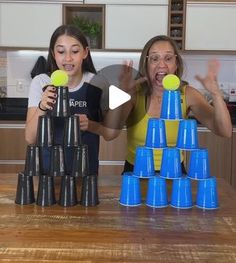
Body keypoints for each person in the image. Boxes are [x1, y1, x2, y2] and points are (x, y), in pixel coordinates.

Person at [104, 35, 232, 173]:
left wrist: (216, 93)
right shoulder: (134, 94)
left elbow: (224, 131)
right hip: (136, 173)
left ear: (176, 64)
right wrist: (122, 93)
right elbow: (109, 134)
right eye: (154, 58)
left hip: (175, 173)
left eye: (168, 58)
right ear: (146, 64)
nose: (162, 64)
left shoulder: (188, 94)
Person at [25, 24, 107, 175]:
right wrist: (42, 107)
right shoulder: (41, 82)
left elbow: (109, 133)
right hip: (48, 173)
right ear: (53, 53)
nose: (68, 58)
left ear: (85, 53)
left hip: (86, 172)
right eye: (61, 51)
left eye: (75, 51)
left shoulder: (97, 83)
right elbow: (30, 138)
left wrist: (90, 125)